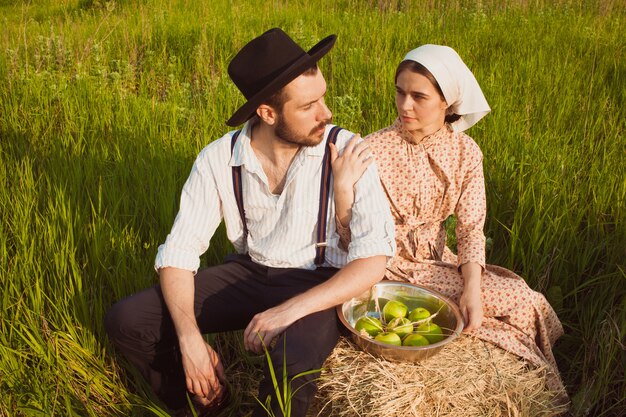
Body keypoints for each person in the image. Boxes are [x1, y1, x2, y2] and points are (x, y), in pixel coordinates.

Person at [104, 28, 396, 417]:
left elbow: (372, 261)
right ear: (268, 113)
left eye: (322, 98)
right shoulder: (217, 158)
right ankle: (202, 403)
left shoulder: (346, 150)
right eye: (309, 105)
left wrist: (289, 311)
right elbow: (179, 252)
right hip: (249, 273)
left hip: (319, 281)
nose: (326, 113)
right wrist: (189, 339)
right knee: (126, 320)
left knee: (293, 358)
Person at [331, 44, 567, 400]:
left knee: (523, 299)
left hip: (439, 261)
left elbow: (471, 228)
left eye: (418, 96)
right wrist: (342, 189)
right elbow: (350, 238)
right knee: (503, 302)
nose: (404, 105)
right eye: (400, 92)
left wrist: (471, 284)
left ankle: (542, 386)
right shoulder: (370, 149)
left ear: (447, 102)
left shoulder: (466, 152)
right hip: (385, 264)